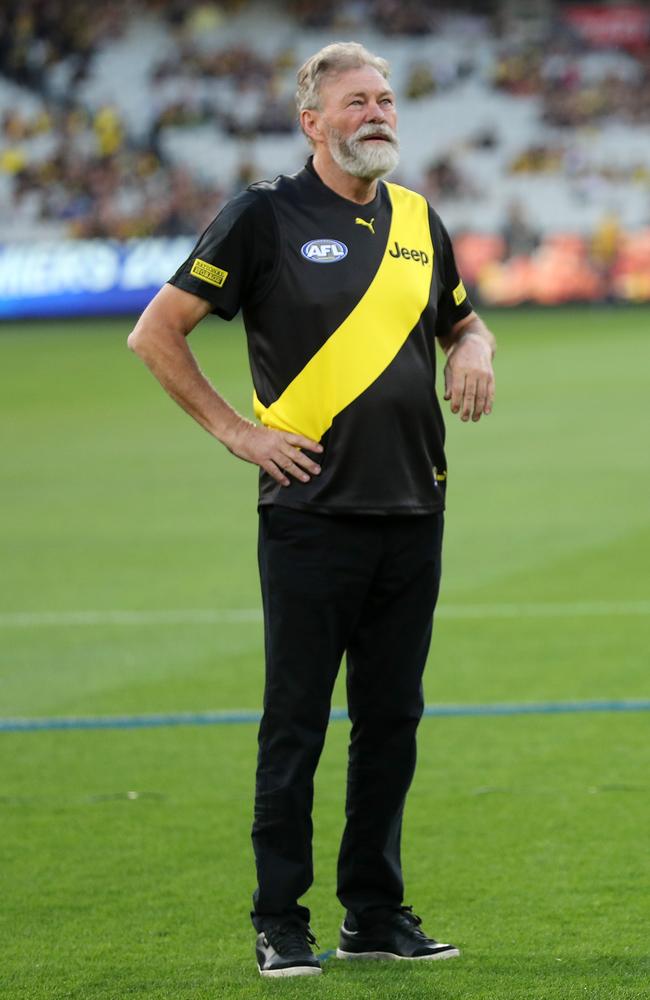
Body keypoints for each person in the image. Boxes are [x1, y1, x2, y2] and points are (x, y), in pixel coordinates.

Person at [128, 41, 496, 979]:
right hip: (311, 516)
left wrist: (475, 348)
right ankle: (278, 919)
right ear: (312, 122)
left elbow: (463, 317)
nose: (378, 113)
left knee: (391, 722)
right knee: (295, 722)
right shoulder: (263, 215)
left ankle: (373, 914)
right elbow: (155, 332)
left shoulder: (419, 219)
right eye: (356, 102)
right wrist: (237, 433)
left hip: (416, 508)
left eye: (386, 99)